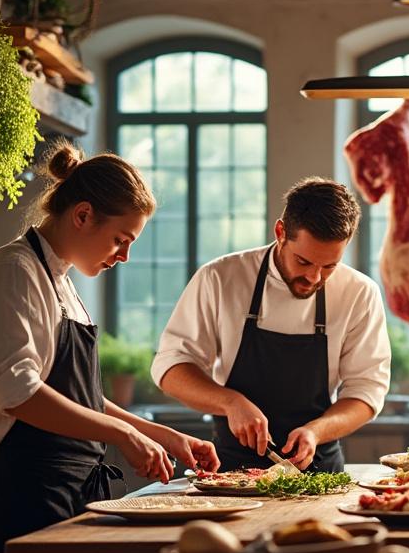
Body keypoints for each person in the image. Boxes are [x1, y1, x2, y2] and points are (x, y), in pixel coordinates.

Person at [0, 141, 219, 553]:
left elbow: (80, 397)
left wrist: (158, 434)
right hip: (26, 497)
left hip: (73, 494)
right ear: (82, 215)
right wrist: (122, 436)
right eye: (121, 239)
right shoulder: (13, 272)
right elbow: (17, 392)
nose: (124, 256)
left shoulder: (61, 282)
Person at [152, 177, 391, 473]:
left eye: (329, 266)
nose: (314, 278)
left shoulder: (359, 292)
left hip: (318, 472)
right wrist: (230, 403)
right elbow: (171, 368)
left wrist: (317, 431)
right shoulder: (220, 278)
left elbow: (366, 391)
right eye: (303, 262)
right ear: (280, 232)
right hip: (231, 472)